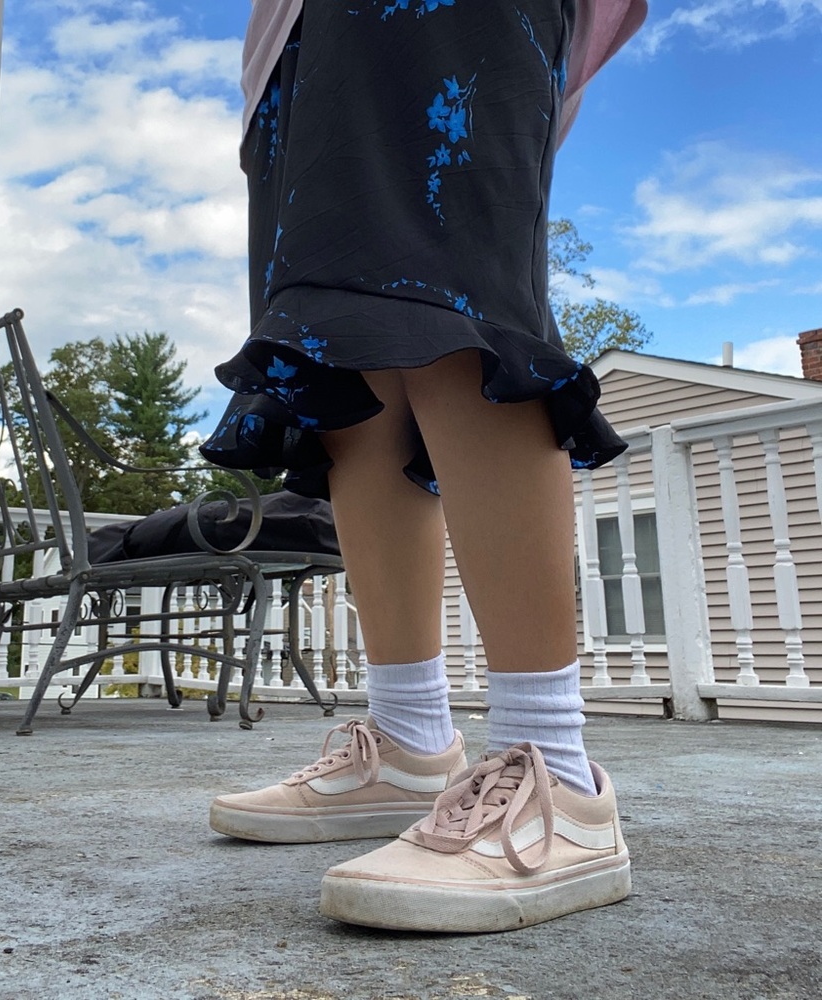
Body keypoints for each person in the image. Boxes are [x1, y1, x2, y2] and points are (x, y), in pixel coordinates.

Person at [199, 0, 648, 933]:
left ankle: (555, 773)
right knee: (340, 363)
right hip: (294, 41)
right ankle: (406, 740)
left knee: (454, 307)